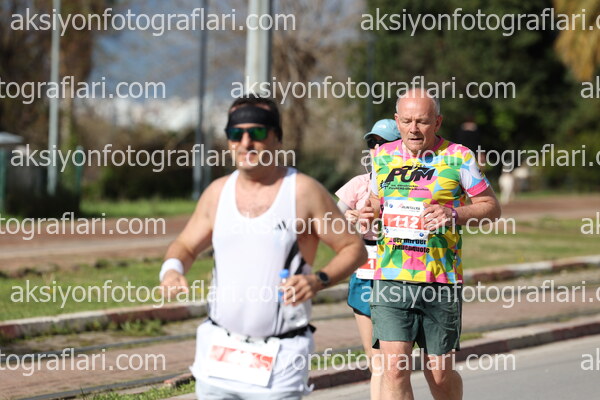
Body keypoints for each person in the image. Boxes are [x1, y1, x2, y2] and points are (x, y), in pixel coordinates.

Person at [159, 95, 367, 400]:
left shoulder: (303, 192)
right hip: (219, 352)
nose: (246, 143)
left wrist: (318, 280)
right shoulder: (217, 193)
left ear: (276, 138)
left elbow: (353, 248)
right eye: (236, 133)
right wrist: (172, 269)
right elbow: (185, 245)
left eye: (256, 132)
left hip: (280, 355)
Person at [360, 89, 501, 400]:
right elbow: (375, 202)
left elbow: (491, 208)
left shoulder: (459, 156)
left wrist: (454, 214)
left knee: (439, 375)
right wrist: (368, 212)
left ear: (437, 122)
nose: (413, 129)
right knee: (394, 369)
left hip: (440, 280)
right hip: (391, 277)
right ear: (396, 121)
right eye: (406, 121)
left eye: (422, 122)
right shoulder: (382, 156)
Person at [335, 119, 400, 400]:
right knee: (377, 361)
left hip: (399, 272)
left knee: (395, 362)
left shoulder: (413, 184)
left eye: (384, 143)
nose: (377, 148)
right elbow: (329, 220)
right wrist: (348, 218)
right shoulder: (358, 184)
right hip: (364, 272)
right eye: (372, 143)